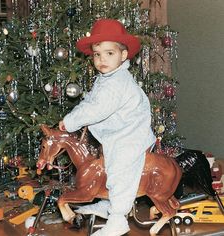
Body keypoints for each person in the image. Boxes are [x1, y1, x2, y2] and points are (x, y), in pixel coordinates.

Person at [59, 19, 156, 236]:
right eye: (97, 54)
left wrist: (71, 121)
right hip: (118, 133)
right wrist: (75, 115)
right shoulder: (106, 78)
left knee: (121, 170)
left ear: (123, 55)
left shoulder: (117, 82)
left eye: (109, 53)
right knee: (108, 166)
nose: (102, 59)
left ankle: (119, 218)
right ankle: (111, 204)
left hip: (131, 136)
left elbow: (97, 109)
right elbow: (90, 101)